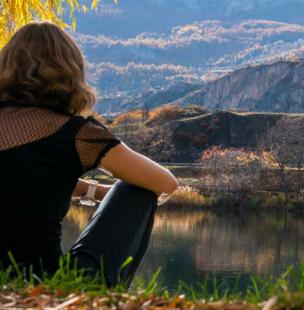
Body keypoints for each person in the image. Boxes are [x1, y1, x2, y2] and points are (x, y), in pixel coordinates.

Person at [0, 21, 179, 285]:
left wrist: (88, 190)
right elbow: (166, 183)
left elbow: (18, 173)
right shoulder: (78, 133)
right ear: (70, 72)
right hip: (49, 283)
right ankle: (108, 295)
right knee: (138, 188)